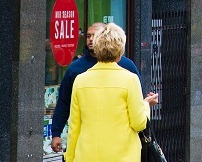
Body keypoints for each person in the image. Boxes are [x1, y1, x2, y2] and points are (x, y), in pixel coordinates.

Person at [64, 23, 158, 162]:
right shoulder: (130, 79)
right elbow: (139, 123)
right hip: (122, 159)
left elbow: (74, 125)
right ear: (120, 50)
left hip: (87, 159)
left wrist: (70, 160)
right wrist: (145, 104)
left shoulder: (80, 80)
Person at [50, 21, 142, 153]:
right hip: (88, 144)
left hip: (119, 145)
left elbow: (137, 103)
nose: (91, 39)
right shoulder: (76, 70)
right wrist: (56, 133)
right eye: (88, 36)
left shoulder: (127, 66)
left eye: (95, 35)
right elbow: (64, 103)